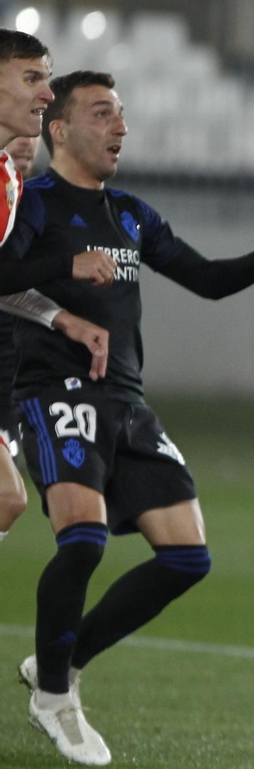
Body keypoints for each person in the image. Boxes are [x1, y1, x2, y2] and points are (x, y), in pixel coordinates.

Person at [11, 70, 254, 765]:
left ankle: (60, 658)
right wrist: (66, 279)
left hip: (126, 401)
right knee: (81, 540)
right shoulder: (32, 202)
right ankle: (56, 695)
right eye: (103, 113)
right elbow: (5, 273)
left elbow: (203, 277)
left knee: (187, 555)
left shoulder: (131, 214)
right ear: (60, 129)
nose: (121, 127)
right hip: (53, 388)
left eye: (122, 114)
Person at [0, 36, 114, 551]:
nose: (46, 94)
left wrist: (58, 317)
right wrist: (68, 265)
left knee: (6, 497)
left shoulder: (9, 179)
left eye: (47, 79)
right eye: (31, 78)